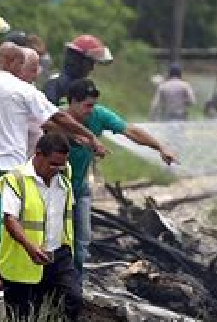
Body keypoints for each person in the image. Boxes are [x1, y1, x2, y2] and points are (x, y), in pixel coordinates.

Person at [0, 42, 105, 291]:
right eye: (20, 63)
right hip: (13, 169)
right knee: (21, 222)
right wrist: (89, 135)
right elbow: (58, 117)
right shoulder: (21, 89)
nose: (21, 69)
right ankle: (23, 277)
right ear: (11, 62)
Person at [63, 78, 177, 275]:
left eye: (93, 105)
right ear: (72, 101)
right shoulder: (56, 116)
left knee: (82, 240)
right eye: (87, 105)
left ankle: (75, 283)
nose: (91, 110)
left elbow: (130, 131)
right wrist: (83, 139)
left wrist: (160, 147)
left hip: (79, 188)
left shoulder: (98, 115)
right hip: (54, 189)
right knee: (56, 240)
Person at [0, 132, 81, 322]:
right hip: (24, 258)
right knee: (22, 317)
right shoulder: (16, 180)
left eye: (61, 165)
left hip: (58, 255)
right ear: (38, 154)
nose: (57, 169)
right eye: (53, 164)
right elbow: (10, 219)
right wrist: (30, 246)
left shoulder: (63, 177)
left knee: (73, 298)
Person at [43, 34, 113, 107]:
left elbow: (92, 111)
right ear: (79, 61)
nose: (92, 68)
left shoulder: (84, 86)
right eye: (90, 63)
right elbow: (50, 112)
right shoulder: (55, 85)